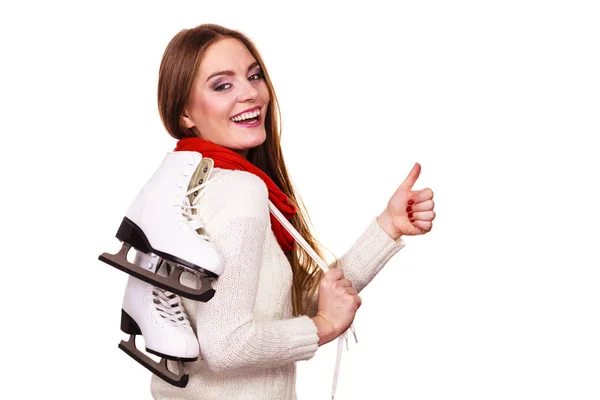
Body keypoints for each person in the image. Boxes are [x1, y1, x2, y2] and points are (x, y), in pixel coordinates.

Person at [150, 23, 436, 400]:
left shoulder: (184, 182)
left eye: (254, 76)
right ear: (184, 112)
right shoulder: (240, 191)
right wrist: (324, 326)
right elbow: (226, 344)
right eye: (223, 85)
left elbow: (280, 310)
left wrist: (387, 227)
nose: (250, 93)